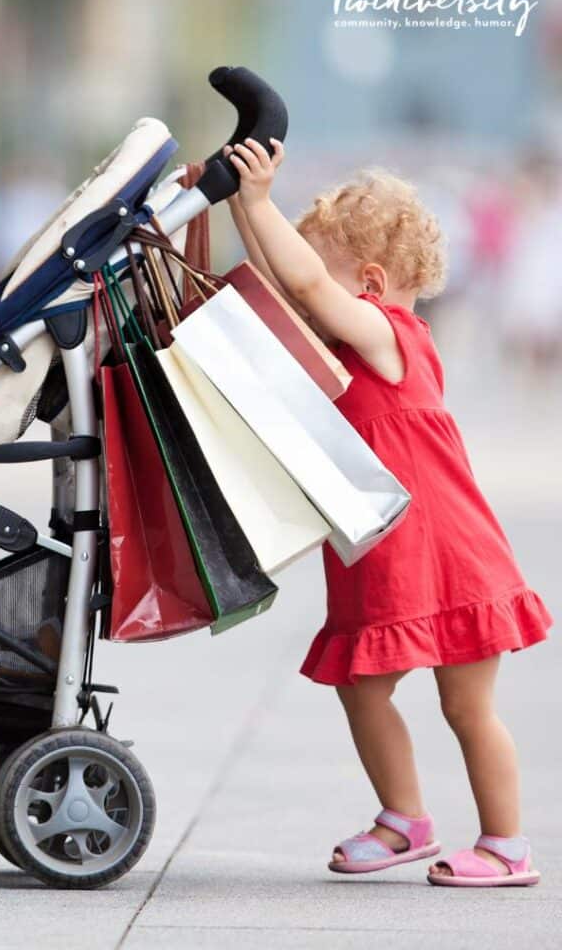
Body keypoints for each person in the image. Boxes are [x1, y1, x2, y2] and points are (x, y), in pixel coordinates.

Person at [223, 138, 551, 888]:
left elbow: (303, 283)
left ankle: (507, 844)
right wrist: (247, 212)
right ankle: (405, 820)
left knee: (467, 707)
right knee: (361, 686)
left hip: (448, 555)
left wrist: (260, 200)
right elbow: (284, 283)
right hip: (387, 553)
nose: (311, 306)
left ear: (369, 284)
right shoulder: (352, 342)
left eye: (328, 289)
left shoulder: (388, 336)